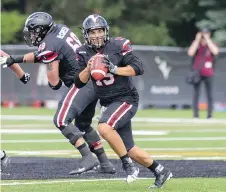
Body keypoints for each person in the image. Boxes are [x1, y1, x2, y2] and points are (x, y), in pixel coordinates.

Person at [0, 12, 115, 174]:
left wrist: (56, 84)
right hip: (92, 81)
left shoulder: (49, 43)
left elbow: (53, 79)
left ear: (41, 30)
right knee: (83, 125)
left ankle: (88, 158)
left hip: (82, 83)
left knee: (61, 120)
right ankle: (105, 164)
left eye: (33, 32)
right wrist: (15, 59)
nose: (31, 36)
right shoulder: (60, 29)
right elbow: (42, 54)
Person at [74, 14, 172, 188]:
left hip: (126, 98)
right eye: (92, 32)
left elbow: (138, 68)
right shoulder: (82, 52)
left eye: (99, 31)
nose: (96, 35)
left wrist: (114, 69)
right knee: (130, 149)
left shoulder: (118, 45)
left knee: (104, 127)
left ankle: (128, 166)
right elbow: (78, 82)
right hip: (108, 102)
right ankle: (160, 170)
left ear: (106, 31)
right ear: (86, 34)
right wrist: (89, 68)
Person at [187, 28, 219, 119]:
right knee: (196, 94)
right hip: (197, 72)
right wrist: (197, 40)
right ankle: (195, 115)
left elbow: (215, 51)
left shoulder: (211, 44)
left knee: (210, 95)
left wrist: (208, 40)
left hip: (208, 73)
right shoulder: (197, 44)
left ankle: (210, 115)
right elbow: (190, 52)